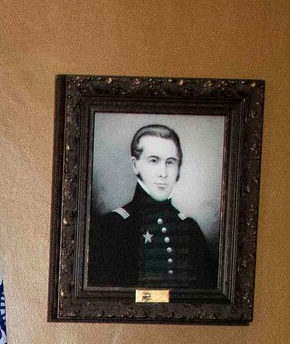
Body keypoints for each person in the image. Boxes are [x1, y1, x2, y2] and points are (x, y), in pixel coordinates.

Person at [87, 123, 217, 290]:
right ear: (135, 165)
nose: (163, 173)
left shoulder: (189, 228)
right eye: (154, 161)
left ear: (178, 168)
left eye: (170, 162)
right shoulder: (112, 226)